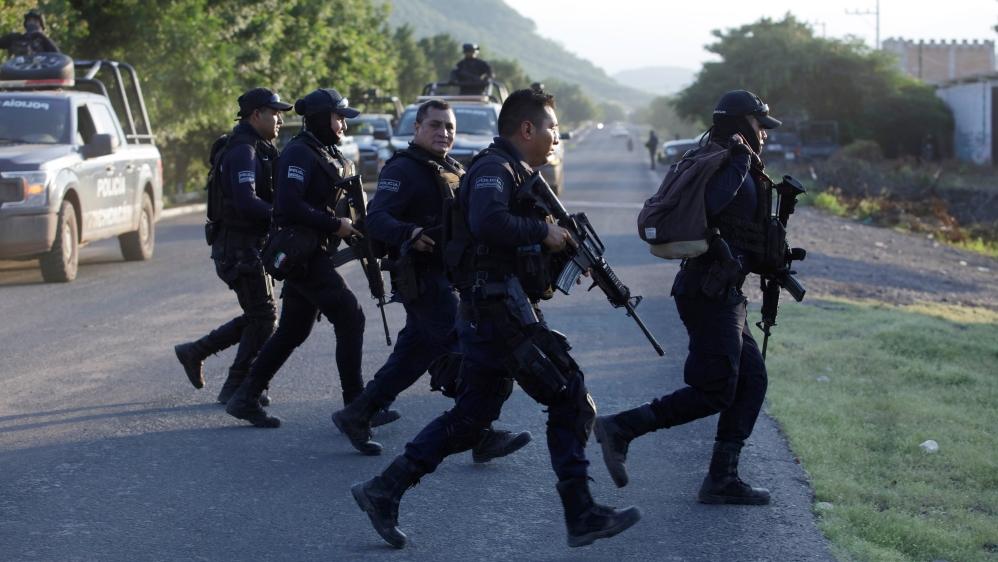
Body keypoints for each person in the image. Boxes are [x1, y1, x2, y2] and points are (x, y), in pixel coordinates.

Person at [352, 89, 641, 549]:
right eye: (551, 129)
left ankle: (383, 489)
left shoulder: (511, 170)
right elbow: (489, 224)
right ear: (526, 129)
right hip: (496, 310)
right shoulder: (493, 168)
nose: (556, 138)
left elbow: (503, 235)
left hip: (489, 308)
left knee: (471, 418)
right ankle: (581, 512)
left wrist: (559, 246)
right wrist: (543, 230)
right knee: (568, 395)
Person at [594, 90, 783, 506]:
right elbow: (711, 208)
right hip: (708, 291)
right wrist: (738, 163)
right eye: (759, 126)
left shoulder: (732, 159)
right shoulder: (729, 160)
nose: (764, 136)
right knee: (715, 388)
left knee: (751, 381)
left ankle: (722, 478)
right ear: (741, 123)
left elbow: (734, 228)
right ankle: (621, 428)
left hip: (721, 291)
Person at [331, 99, 532, 462]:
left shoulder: (450, 167)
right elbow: (375, 219)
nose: (444, 133)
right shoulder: (403, 169)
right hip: (421, 278)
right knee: (460, 351)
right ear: (417, 129)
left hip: (446, 274)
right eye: (436, 125)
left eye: (449, 128)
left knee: (414, 353)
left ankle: (356, 413)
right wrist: (409, 231)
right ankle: (479, 433)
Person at [225, 88, 366, 428]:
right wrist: (335, 224)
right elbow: (288, 204)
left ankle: (246, 396)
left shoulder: (324, 151)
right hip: (303, 254)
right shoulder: (300, 154)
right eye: (339, 119)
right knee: (351, 318)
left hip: (315, 251)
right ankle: (357, 406)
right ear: (321, 119)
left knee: (293, 329)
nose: (343, 126)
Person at [174, 87, 291, 406]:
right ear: (256, 115)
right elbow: (245, 201)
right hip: (238, 249)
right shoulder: (244, 150)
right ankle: (236, 385)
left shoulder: (259, 147)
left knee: (259, 316)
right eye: (275, 112)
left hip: (249, 246)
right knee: (264, 317)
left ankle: (195, 352)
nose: (280, 118)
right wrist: (284, 215)